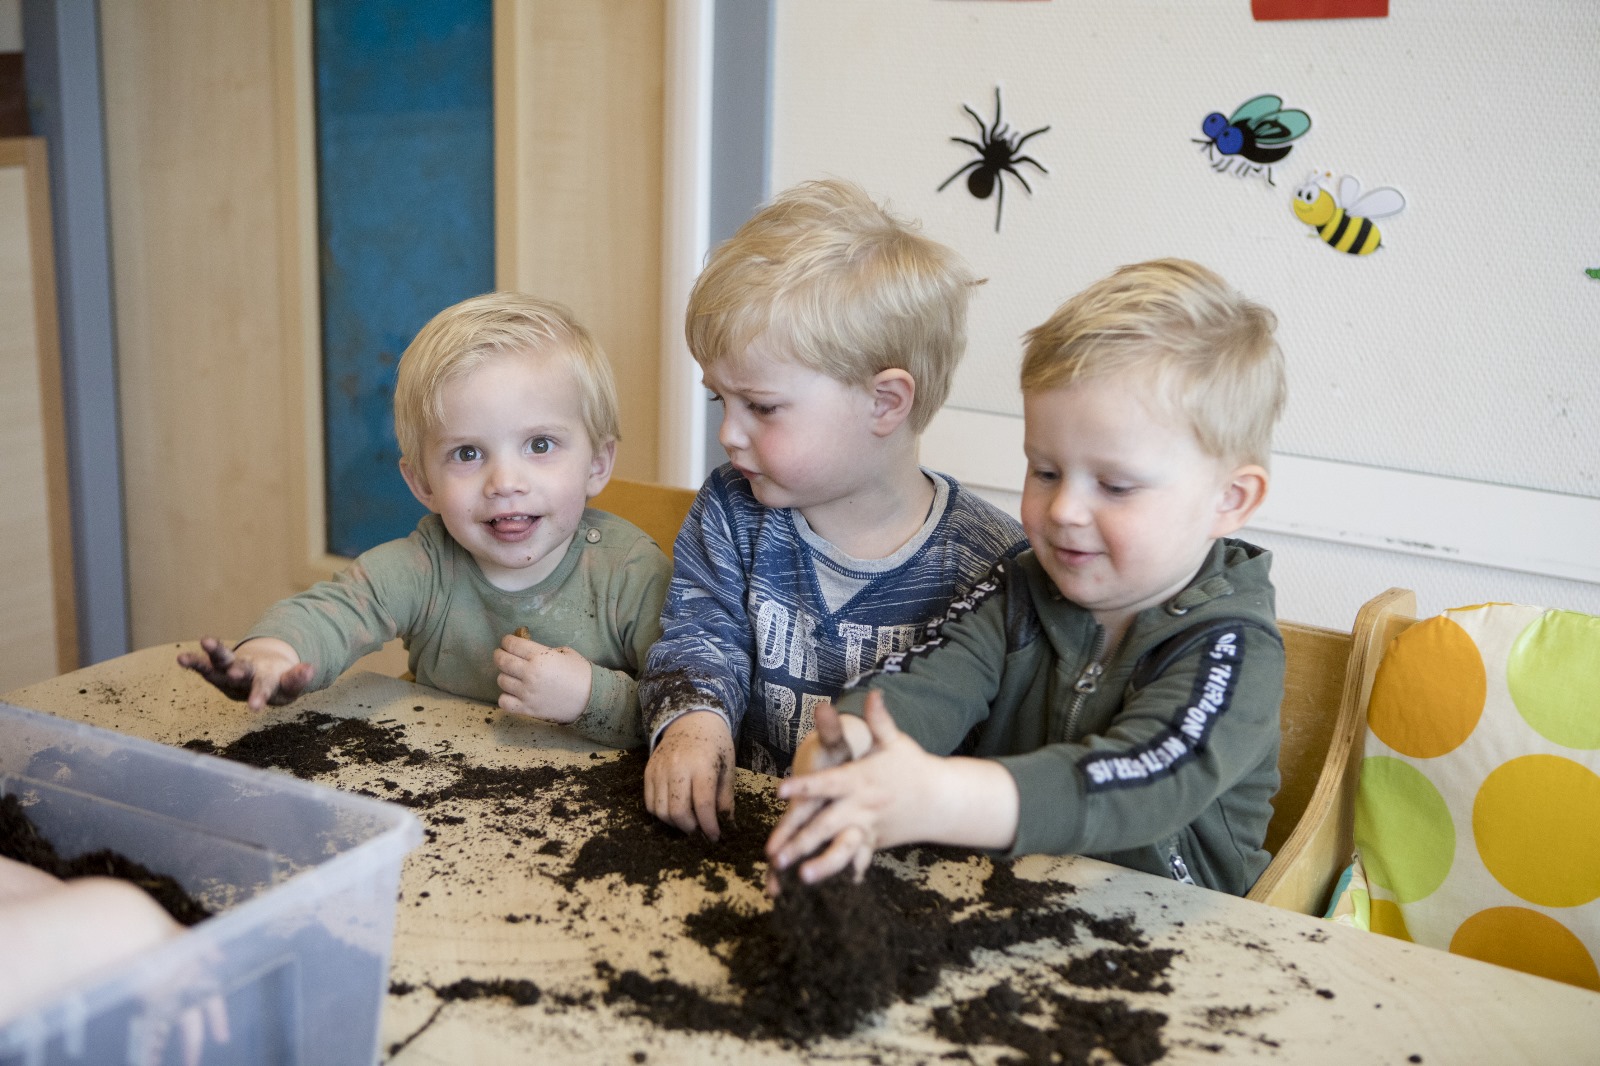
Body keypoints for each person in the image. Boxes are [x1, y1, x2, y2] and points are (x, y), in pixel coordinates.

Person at [766, 258, 1288, 897]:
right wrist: (850, 746)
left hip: (1190, 936)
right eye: (1045, 472)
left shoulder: (1234, 648)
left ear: (1229, 500)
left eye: (1115, 485)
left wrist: (939, 799)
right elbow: (926, 684)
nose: (1064, 509)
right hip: (1014, 901)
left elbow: (1141, 779)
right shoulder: (1019, 589)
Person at [640, 178, 1028, 840]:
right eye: (720, 402)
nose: (729, 433)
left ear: (885, 403)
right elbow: (699, 637)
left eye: (760, 406)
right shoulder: (733, 511)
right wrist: (692, 721)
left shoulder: (992, 564)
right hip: (744, 831)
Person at [179, 293, 671, 749]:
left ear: (598, 464)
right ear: (422, 484)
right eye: (468, 452)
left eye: (540, 445)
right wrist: (272, 654)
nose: (504, 481)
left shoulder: (631, 575)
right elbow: (338, 609)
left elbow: (694, 717)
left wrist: (589, 697)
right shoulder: (426, 566)